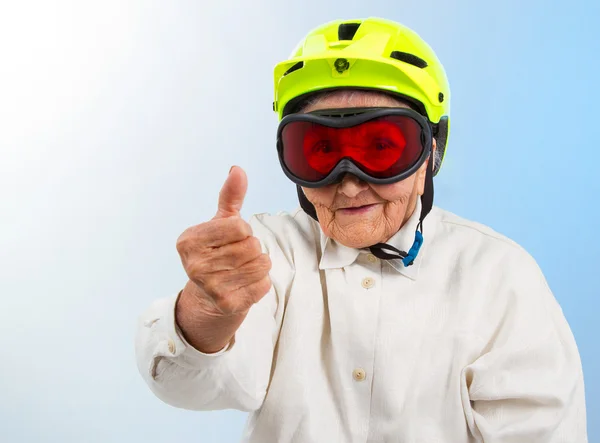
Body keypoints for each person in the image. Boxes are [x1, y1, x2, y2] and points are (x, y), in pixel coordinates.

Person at [135, 17, 588, 442]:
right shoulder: (263, 253)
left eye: (381, 147)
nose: (349, 184)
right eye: (321, 149)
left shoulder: (497, 275)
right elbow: (186, 386)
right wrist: (205, 310)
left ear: (432, 152)